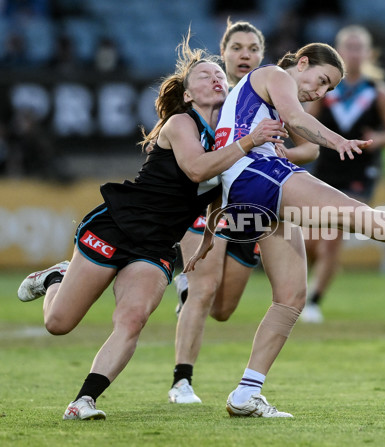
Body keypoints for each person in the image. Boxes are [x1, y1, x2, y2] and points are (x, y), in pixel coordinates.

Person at [185, 42, 385, 418]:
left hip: (245, 190)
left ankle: (246, 393)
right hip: (255, 174)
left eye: (329, 89)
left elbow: (273, 135)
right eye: (321, 81)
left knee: (291, 296)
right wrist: (338, 141)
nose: (320, 92)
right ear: (301, 63)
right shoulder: (272, 75)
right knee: (355, 213)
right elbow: (297, 119)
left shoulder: (264, 93)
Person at [15, 31, 286, 420]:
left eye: (219, 77)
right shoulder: (180, 122)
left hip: (156, 245)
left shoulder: (229, 138)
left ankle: (83, 401)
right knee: (58, 324)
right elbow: (196, 169)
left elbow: (214, 196)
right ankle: (57, 278)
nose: (216, 79)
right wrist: (249, 144)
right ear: (189, 95)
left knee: (133, 318)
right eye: (205, 76)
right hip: (116, 226)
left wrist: (209, 237)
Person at [167, 19, 318, 404]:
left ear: (262, 55)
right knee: (202, 288)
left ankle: (184, 288)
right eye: (236, 48)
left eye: (252, 48)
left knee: (223, 310)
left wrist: (277, 152)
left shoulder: (269, 95)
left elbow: (310, 148)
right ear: (224, 53)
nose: (245, 54)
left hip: (250, 208)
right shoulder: (208, 96)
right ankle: (181, 381)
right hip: (208, 206)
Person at [300, 25, 385, 323]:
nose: (353, 53)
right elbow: (305, 123)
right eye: (347, 47)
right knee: (310, 240)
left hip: (359, 174)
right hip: (326, 170)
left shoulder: (378, 93)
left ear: (369, 53)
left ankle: (313, 301)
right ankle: (311, 287)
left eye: (358, 47)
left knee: (333, 234)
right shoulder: (327, 89)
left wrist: (377, 139)